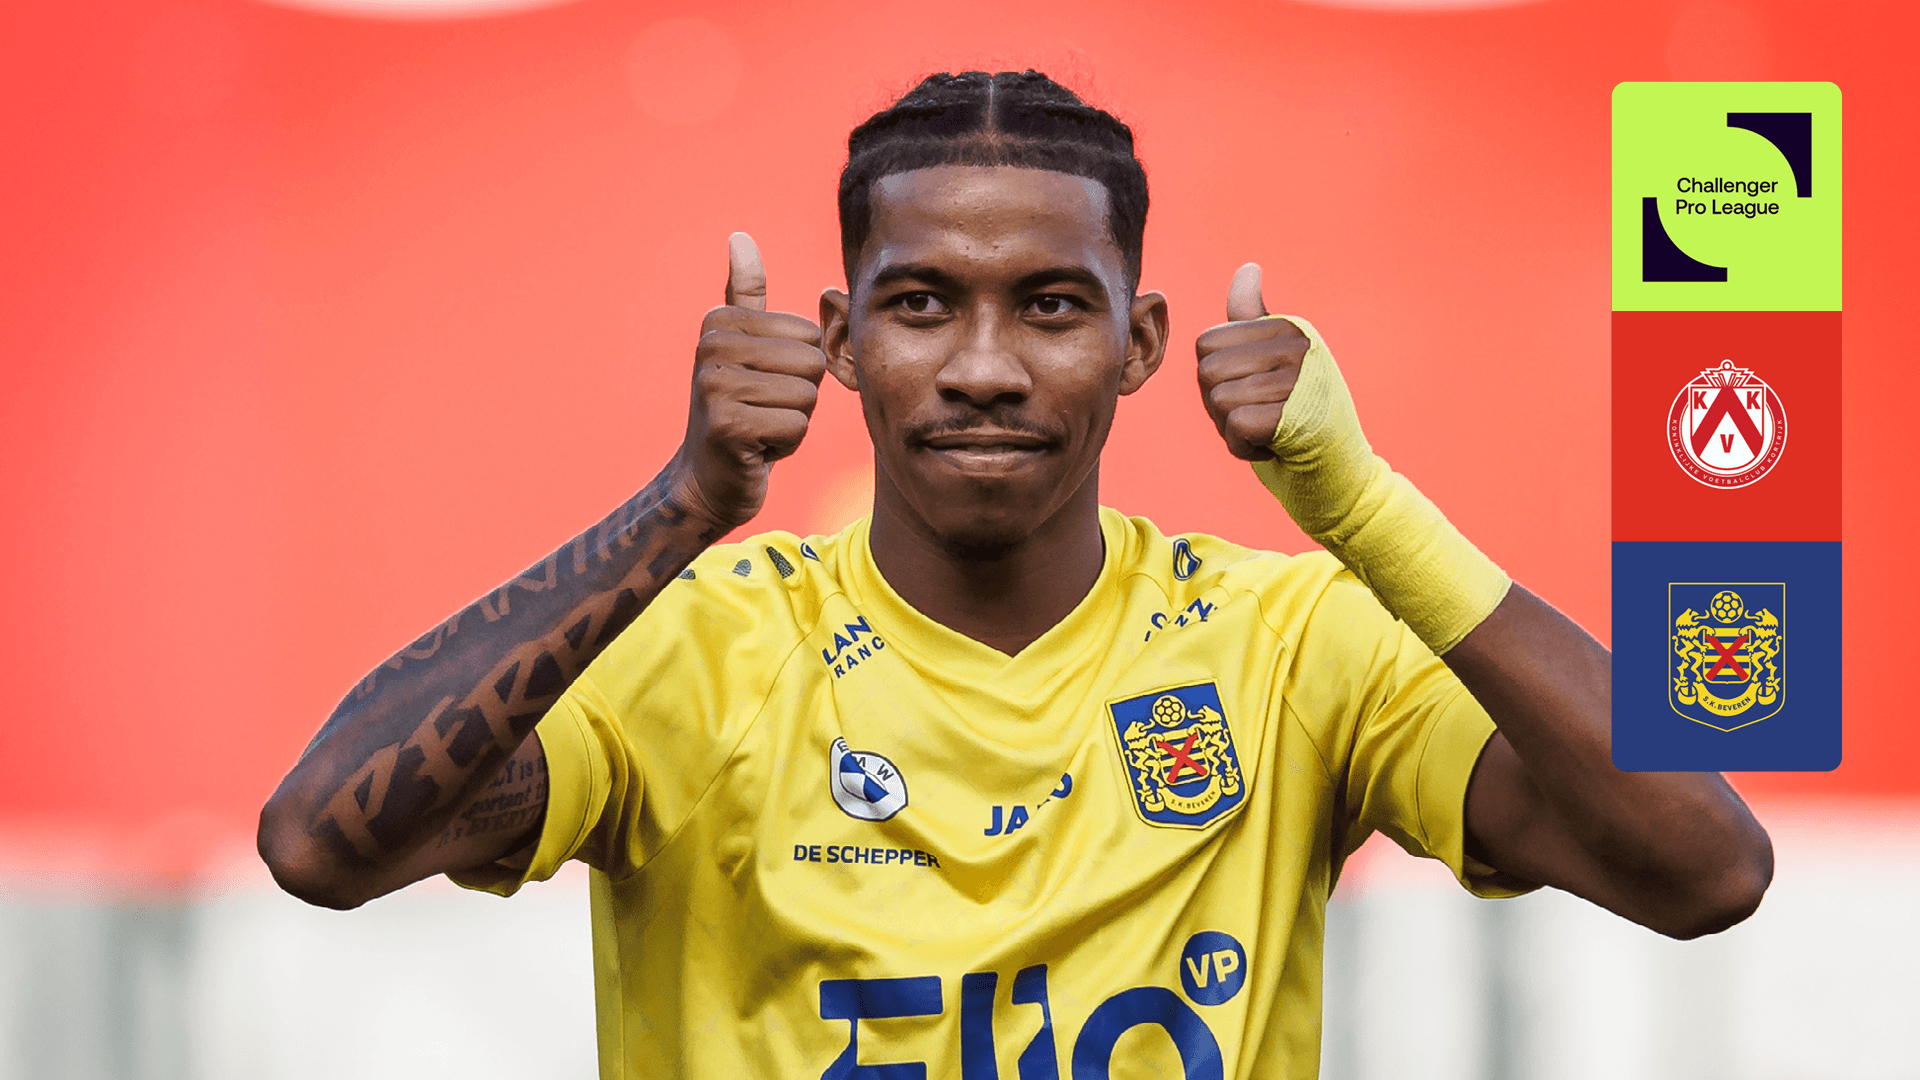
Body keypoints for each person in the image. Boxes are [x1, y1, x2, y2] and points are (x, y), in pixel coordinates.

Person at [258, 70, 1772, 1078]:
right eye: (923, 304)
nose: (983, 366)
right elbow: (321, 846)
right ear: (841, 342)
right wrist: (684, 504)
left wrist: (1363, 508)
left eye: (1051, 306)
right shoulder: (696, 646)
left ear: (1140, 342)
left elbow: (1706, 871)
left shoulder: (1291, 644)